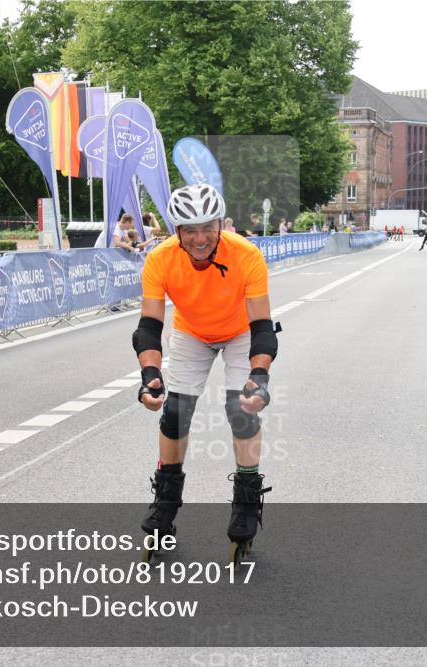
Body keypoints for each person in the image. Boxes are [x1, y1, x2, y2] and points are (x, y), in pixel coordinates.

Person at [133, 183, 277, 562]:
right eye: (189, 229)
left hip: (240, 331)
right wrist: (150, 373)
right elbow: (148, 327)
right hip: (192, 331)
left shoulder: (247, 255)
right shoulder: (160, 259)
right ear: (176, 231)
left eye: (207, 227)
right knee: (175, 413)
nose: (199, 238)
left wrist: (259, 377)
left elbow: (263, 328)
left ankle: (246, 503)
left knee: (241, 411)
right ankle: (165, 504)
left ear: (219, 224)